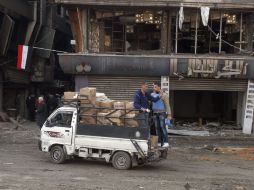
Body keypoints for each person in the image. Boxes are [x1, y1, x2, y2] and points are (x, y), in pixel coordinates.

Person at [151, 82, 172, 148]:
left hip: (162, 113)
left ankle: (166, 142)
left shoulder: (164, 95)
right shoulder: (152, 94)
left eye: (155, 87)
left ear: (159, 87)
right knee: (157, 128)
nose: (154, 88)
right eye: (153, 87)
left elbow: (167, 106)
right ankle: (159, 142)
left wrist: (169, 115)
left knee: (162, 127)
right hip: (155, 113)